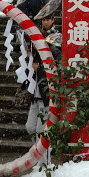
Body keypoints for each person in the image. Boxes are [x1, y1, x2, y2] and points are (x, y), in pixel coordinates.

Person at [25, 14, 62, 165]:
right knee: (30, 127)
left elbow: (56, 69)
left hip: (46, 95)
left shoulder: (53, 50)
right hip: (35, 94)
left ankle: (43, 162)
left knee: (42, 130)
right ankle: (37, 156)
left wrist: (39, 68)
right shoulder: (34, 53)